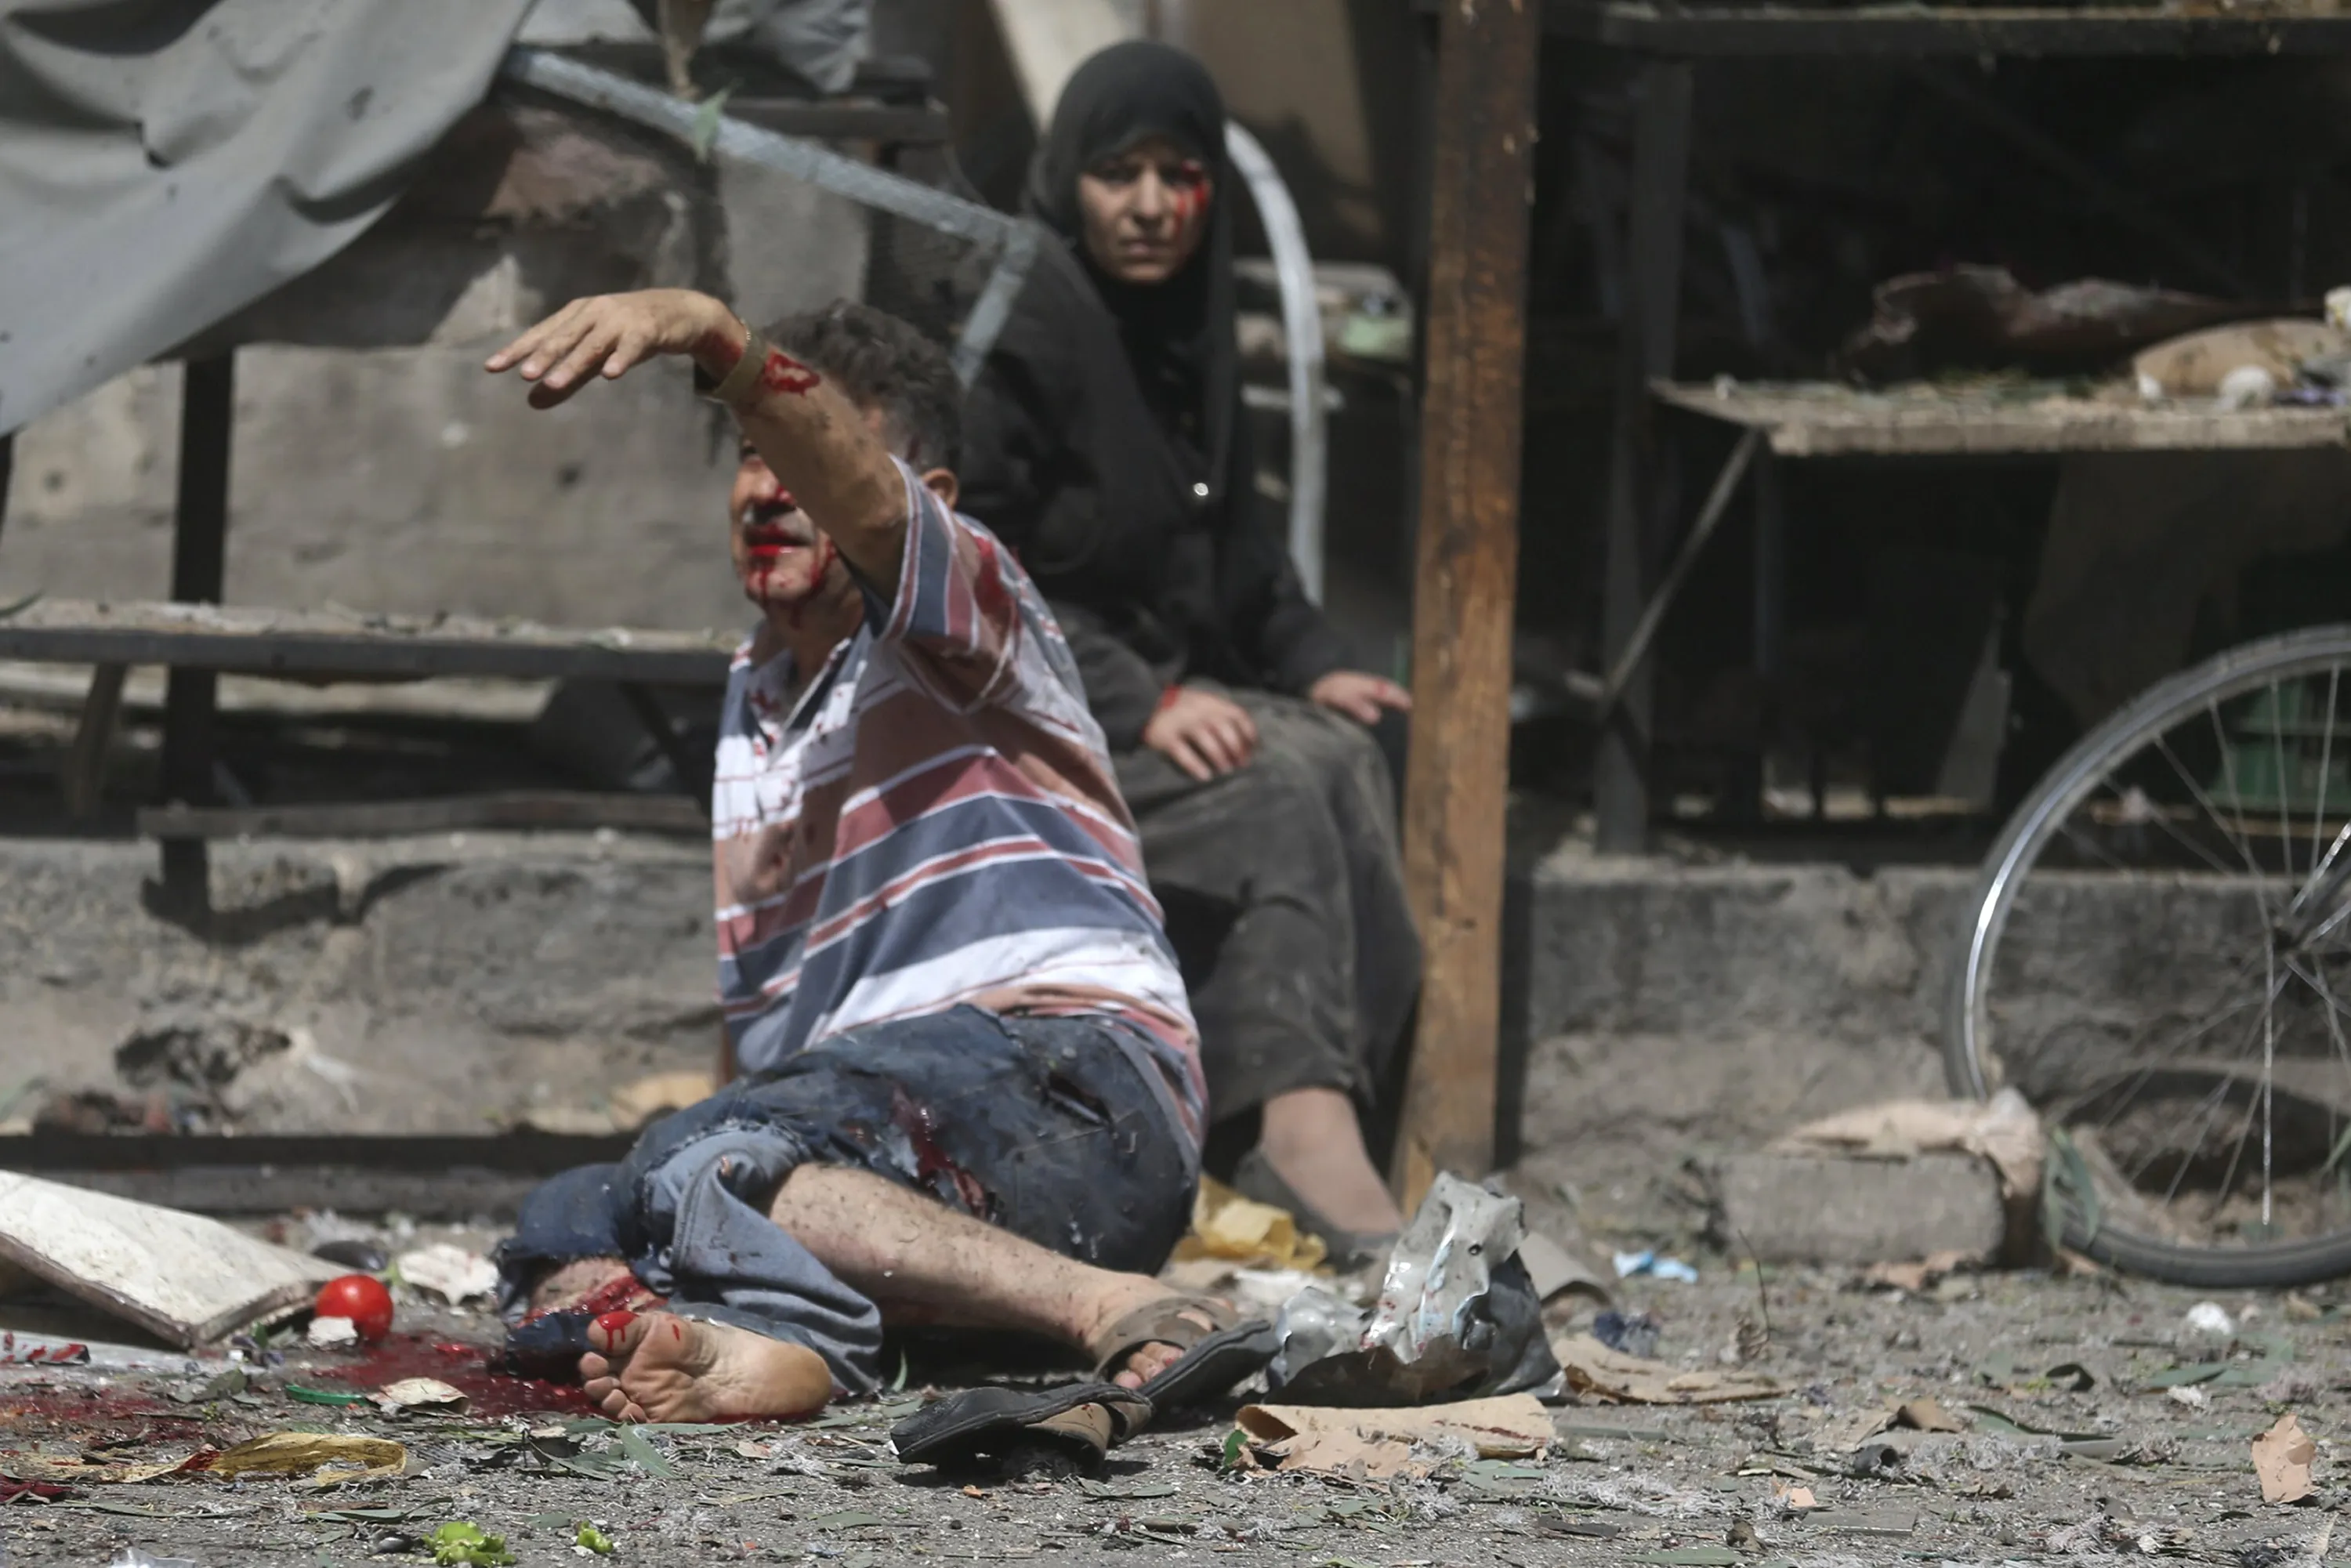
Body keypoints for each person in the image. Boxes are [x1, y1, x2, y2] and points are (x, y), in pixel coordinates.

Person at [479, 292, 1251, 1427]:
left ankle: (1116, 1307)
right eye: (748, 458)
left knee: (706, 1157)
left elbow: (871, 506)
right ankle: (771, 1341)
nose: (764, 489)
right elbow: (762, 1045)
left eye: (794, 457)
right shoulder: (754, 703)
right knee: (573, 1218)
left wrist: (716, 339)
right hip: (900, 1194)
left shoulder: (968, 614)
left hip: (1077, 1095)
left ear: (924, 499)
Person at [958, 40, 1418, 1263]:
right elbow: (977, 566)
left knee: (1353, 748)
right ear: (1071, 178)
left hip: (1162, 684)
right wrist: (1141, 698)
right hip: (1042, 716)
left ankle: (1354, 1108)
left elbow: (1238, 548)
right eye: (1120, 174)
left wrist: (1310, 659)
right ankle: (1294, 1131)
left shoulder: (1187, 322)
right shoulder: (1032, 319)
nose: (1152, 206)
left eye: (1180, 175)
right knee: (1272, 788)